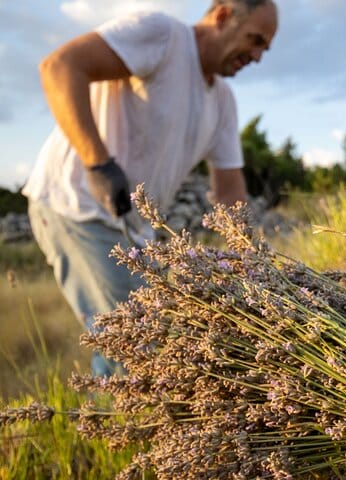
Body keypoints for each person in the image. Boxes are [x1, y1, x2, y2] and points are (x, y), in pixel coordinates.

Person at [22, 0, 278, 376]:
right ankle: (114, 429)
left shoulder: (222, 102)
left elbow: (230, 192)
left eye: (265, 49)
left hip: (134, 230)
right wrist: (98, 162)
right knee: (136, 342)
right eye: (255, 40)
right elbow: (60, 67)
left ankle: (121, 424)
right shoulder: (163, 36)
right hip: (76, 204)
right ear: (223, 16)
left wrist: (256, 266)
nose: (257, 56)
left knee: (162, 338)